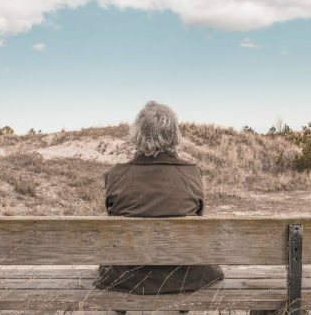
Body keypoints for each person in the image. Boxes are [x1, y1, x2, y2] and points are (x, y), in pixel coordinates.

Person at [93, 101, 224, 298]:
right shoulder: (192, 174)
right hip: (184, 277)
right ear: (174, 135)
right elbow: (198, 218)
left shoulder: (115, 175)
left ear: (138, 135)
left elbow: (113, 219)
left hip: (128, 278)